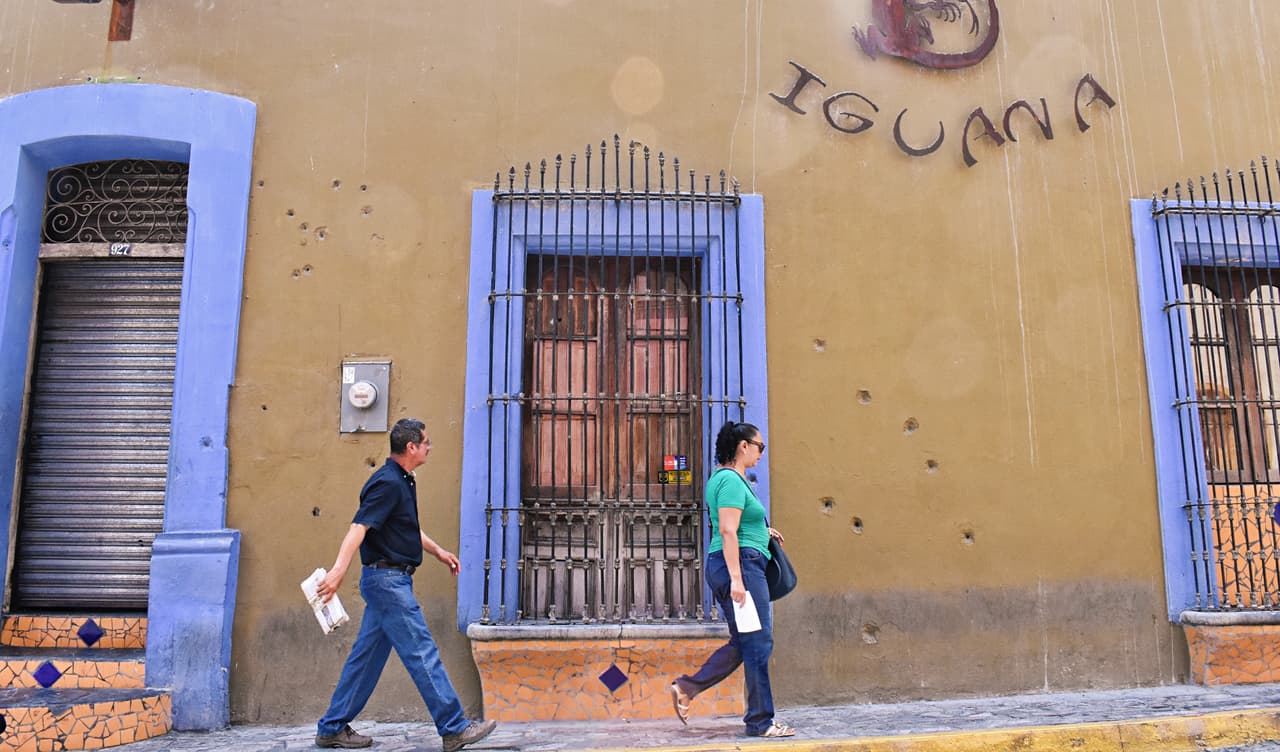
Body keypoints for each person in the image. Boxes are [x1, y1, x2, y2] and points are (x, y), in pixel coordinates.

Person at [314, 418, 497, 751]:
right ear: (411, 447)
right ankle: (454, 727)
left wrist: (439, 552)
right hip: (388, 583)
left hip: (388, 581)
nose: (429, 447)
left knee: (365, 660)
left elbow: (408, 527)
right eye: (426, 442)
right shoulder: (387, 482)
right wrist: (338, 571)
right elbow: (358, 527)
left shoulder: (402, 481)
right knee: (422, 652)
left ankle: (331, 727)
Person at [669, 421, 794, 738]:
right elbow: (726, 530)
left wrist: (762, 531)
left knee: (744, 642)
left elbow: (737, 523)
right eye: (760, 446)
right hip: (742, 567)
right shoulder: (730, 480)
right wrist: (738, 580)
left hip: (738, 562)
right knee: (760, 642)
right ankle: (761, 722)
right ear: (743, 446)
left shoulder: (727, 480)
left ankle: (687, 688)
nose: (761, 453)